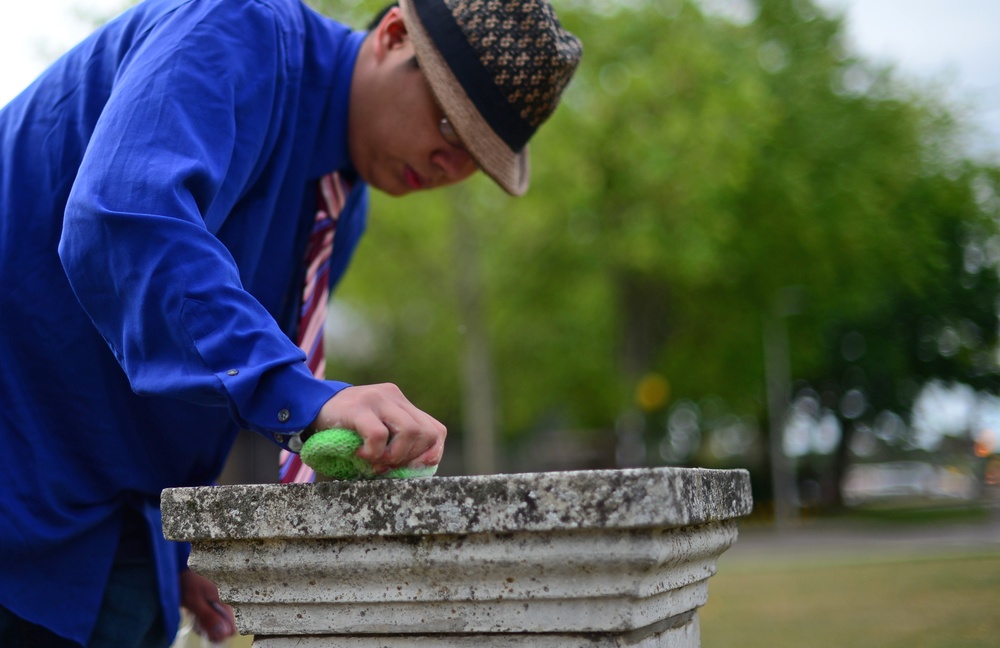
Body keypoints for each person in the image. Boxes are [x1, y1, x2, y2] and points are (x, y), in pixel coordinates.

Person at [0, 0, 582, 645]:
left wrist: (178, 548)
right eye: (449, 124)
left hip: (115, 533)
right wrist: (304, 399)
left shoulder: (342, 204)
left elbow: (192, 350)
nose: (450, 166)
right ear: (392, 35)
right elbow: (124, 223)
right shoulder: (236, 27)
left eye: (477, 155)